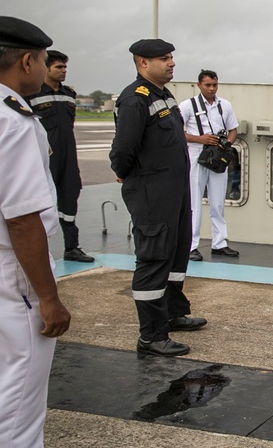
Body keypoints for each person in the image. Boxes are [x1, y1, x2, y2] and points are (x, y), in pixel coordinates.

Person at [0, 16, 72, 448]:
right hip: (14, 271)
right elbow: (22, 219)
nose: (45, 68)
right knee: (20, 395)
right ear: (27, 61)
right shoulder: (14, 121)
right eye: (44, 60)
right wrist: (48, 298)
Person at [110, 38, 207, 358]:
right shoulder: (135, 99)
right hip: (152, 192)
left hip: (174, 190)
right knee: (153, 259)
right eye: (164, 58)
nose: (171, 63)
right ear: (143, 62)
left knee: (176, 254)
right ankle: (151, 336)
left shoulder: (163, 95)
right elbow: (123, 149)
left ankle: (172, 313)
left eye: (171, 57)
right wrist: (126, 173)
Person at [25, 50, 94, 262]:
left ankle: (71, 247)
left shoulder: (69, 94)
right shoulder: (32, 95)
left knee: (70, 197)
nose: (64, 71)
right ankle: (37, 250)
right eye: (59, 67)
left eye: (65, 67)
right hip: (44, 157)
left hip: (69, 156)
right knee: (41, 202)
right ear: (46, 68)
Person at [179, 69, 239, 261]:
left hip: (217, 156)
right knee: (194, 202)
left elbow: (233, 130)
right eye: (208, 85)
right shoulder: (187, 106)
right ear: (199, 85)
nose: (212, 89)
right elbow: (177, 132)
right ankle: (191, 246)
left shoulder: (225, 105)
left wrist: (227, 143)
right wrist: (200, 139)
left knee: (218, 201)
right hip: (196, 154)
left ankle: (219, 243)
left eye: (214, 85)